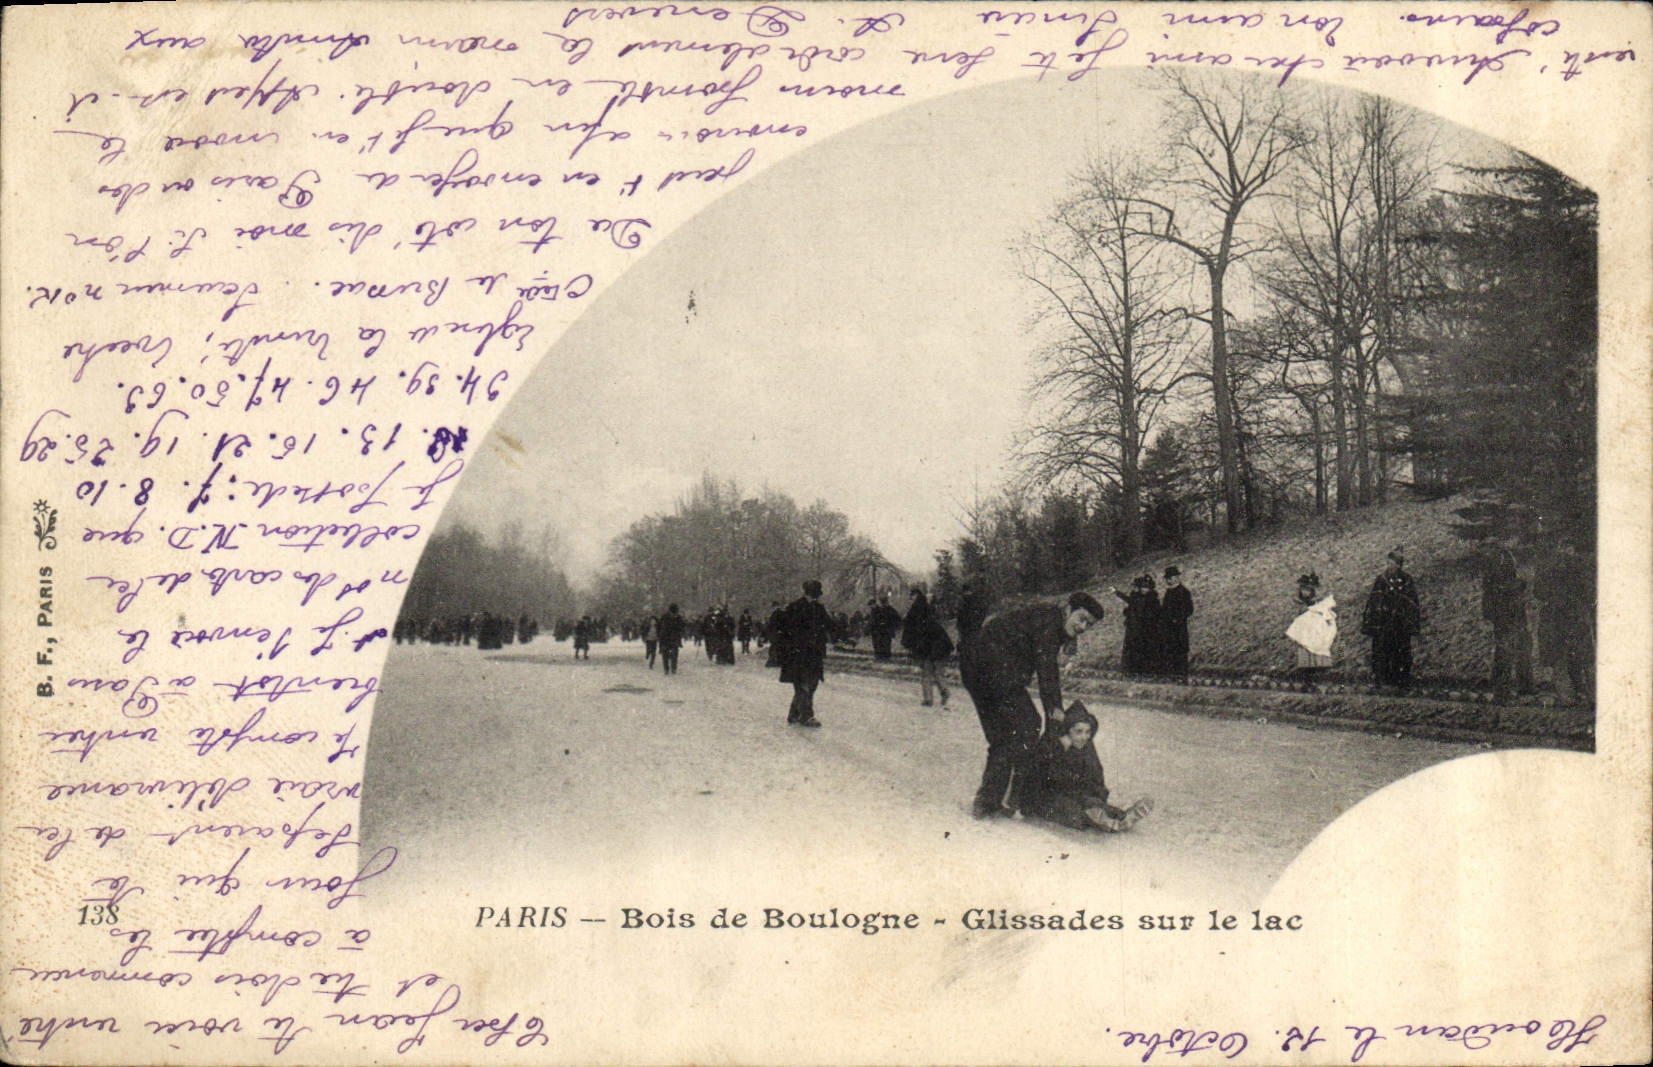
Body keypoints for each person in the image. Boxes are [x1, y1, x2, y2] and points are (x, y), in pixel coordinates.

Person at [962, 590, 1106, 819]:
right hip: (993, 672)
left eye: (1089, 624)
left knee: (1005, 737)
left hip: (975, 670)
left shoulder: (1046, 617)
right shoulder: (1049, 621)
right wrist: (1055, 713)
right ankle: (1015, 795)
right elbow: (1046, 670)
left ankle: (988, 801)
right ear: (1068, 610)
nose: (1083, 627)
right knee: (1028, 725)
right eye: (1081, 618)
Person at [1021, 701, 1153, 833]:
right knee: (1072, 811)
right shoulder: (1052, 745)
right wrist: (1059, 750)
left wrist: (1098, 798)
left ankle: (1122, 816)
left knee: (1092, 803)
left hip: (1072, 793)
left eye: (1087, 732)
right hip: (1044, 798)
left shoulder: (1086, 747)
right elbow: (1037, 775)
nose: (1084, 737)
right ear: (1067, 731)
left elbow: (1095, 775)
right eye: (1078, 732)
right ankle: (1103, 822)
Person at [775, 579, 833, 727]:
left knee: (811, 684)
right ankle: (806, 716)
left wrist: (842, 637)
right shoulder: (794, 607)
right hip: (798, 654)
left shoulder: (819, 608)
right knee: (803, 685)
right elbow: (784, 629)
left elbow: (829, 625)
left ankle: (794, 714)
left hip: (814, 653)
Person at [1481, 539, 1534, 699]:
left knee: (1521, 646)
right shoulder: (1497, 558)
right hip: (1505, 611)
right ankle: (1502, 689)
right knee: (1505, 649)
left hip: (1514, 610)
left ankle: (1524, 686)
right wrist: (1518, 584)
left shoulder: (1506, 556)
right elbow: (1492, 587)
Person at [1361, 548, 1422, 688]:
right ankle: (1381, 678)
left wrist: (1407, 619)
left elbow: (1411, 601)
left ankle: (1400, 679)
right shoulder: (1381, 579)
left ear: (1400, 565)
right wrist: (1377, 617)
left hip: (1400, 624)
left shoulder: (1406, 580)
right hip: (1384, 623)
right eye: (1389, 563)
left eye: (1394, 564)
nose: (1391, 566)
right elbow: (1375, 599)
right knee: (1381, 650)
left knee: (1401, 650)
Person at [901, 583, 954, 707]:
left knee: (926, 673)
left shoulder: (915, 611)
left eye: (911, 597)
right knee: (936, 672)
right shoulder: (926, 608)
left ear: (914, 596)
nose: (910, 599)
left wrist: (909, 645)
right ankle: (944, 691)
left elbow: (912, 629)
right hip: (939, 644)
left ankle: (928, 699)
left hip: (927, 645)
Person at [1286, 572, 1337, 679]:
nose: (1305, 592)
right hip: (1306, 625)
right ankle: (1306, 667)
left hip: (1316, 623)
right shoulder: (1301, 602)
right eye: (1303, 589)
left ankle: (1319, 666)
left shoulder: (1319, 603)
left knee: (1316, 641)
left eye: (1308, 590)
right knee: (1305, 640)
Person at [1112, 575, 1162, 675]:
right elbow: (1129, 601)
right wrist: (1116, 592)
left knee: (1145, 649)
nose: (1144, 589)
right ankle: (1132, 670)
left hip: (1148, 629)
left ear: (1150, 588)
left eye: (1147, 587)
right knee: (1133, 649)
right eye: (1142, 587)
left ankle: (1147, 670)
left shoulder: (1153, 599)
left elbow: (1156, 614)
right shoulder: (1137, 597)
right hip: (1135, 628)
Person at [1159, 566, 1193, 679]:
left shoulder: (1183, 592)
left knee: (1180, 650)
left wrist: (1178, 619)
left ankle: (1181, 675)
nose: (1169, 580)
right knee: (1169, 650)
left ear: (1178, 577)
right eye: (1167, 578)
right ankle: (1172, 674)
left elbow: (1189, 609)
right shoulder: (1168, 592)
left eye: (1172, 577)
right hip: (1167, 627)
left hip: (1178, 627)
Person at [868, 592, 902, 662]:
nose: (883, 604)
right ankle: (882, 658)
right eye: (882, 602)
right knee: (881, 645)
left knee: (883, 645)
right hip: (881, 631)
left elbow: (897, 619)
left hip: (883, 631)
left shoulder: (882, 610)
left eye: (884, 602)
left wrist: (890, 625)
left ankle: (883, 658)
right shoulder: (883, 609)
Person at [657, 604, 685, 675]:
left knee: (674, 654)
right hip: (666, 638)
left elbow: (681, 627)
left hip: (672, 638)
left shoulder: (678, 617)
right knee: (665, 654)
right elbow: (660, 627)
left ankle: (673, 668)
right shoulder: (665, 617)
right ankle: (666, 669)